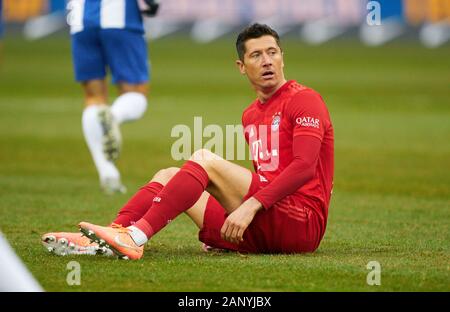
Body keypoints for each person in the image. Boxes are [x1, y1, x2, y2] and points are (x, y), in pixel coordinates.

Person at [42, 23, 334, 259]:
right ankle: (114, 233)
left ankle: (135, 237)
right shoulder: (250, 114)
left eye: (272, 52)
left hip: (302, 222)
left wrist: (248, 206)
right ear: (241, 66)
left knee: (204, 160)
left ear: (283, 56)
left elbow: (304, 167)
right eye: (256, 55)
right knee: (169, 175)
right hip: (266, 220)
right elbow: (266, 176)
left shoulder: (304, 100)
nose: (267, 60)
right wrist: (239, 209)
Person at [68, 0, 159, 194]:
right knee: (136, 92)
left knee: (93, 97)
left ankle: (107, 173)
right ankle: (113, 116)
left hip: (80, 19)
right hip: (119, 15)